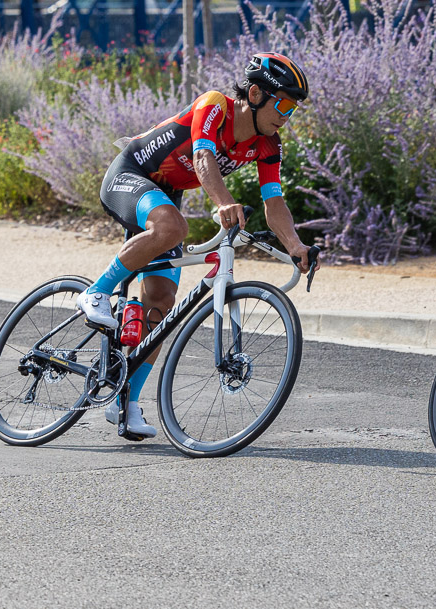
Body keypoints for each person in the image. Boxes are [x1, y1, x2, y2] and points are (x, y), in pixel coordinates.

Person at [76, 52, 317, 439]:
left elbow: (274, 202)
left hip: (166, 192)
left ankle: (126, 402)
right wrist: (223, 202)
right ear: (255, 93)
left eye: (293, 109)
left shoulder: (268, 144)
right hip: (131, 173)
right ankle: (95, 293)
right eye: (283, 104)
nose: (286, 116)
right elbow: (203, 157)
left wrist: (295, 244)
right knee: (173, 226)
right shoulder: (214, 105)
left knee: (160, 301)